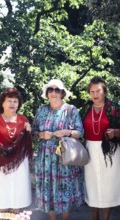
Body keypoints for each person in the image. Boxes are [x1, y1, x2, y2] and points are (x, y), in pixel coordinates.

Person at [32, 79, 84, 220]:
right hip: (45, 159)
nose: (53, 93)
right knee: (48, 188)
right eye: (50, 89)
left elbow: (80, 132)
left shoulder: (70, 110)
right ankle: (52, 218)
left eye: (57, 90)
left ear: (62, 93)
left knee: (65, 188)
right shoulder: (41, 110)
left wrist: (66, 132)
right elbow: (33, 131)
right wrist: (41, 134)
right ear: (47, 93)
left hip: (64, 158)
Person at [81, 76, 120, 220]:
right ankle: (94, 217)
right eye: (92, 91)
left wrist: (115, 132)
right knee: (92, 185)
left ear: (104, 91)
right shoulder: (85, 108)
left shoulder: (114, 108)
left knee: (108, 185)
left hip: (110, 151)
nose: (95, 94)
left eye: (98, 91)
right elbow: (77, 128)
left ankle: (105, 218)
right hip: (90, 150)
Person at [0, 87, 33, 214]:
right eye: (9, 100)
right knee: (1, 191)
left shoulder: (23, 120)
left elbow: (28, 142)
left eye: (15, 101)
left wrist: (29, 132)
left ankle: (16, 213)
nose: (12, 103)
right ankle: (1, 214)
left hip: (18, 163)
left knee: (17, 190)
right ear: (2, 103)